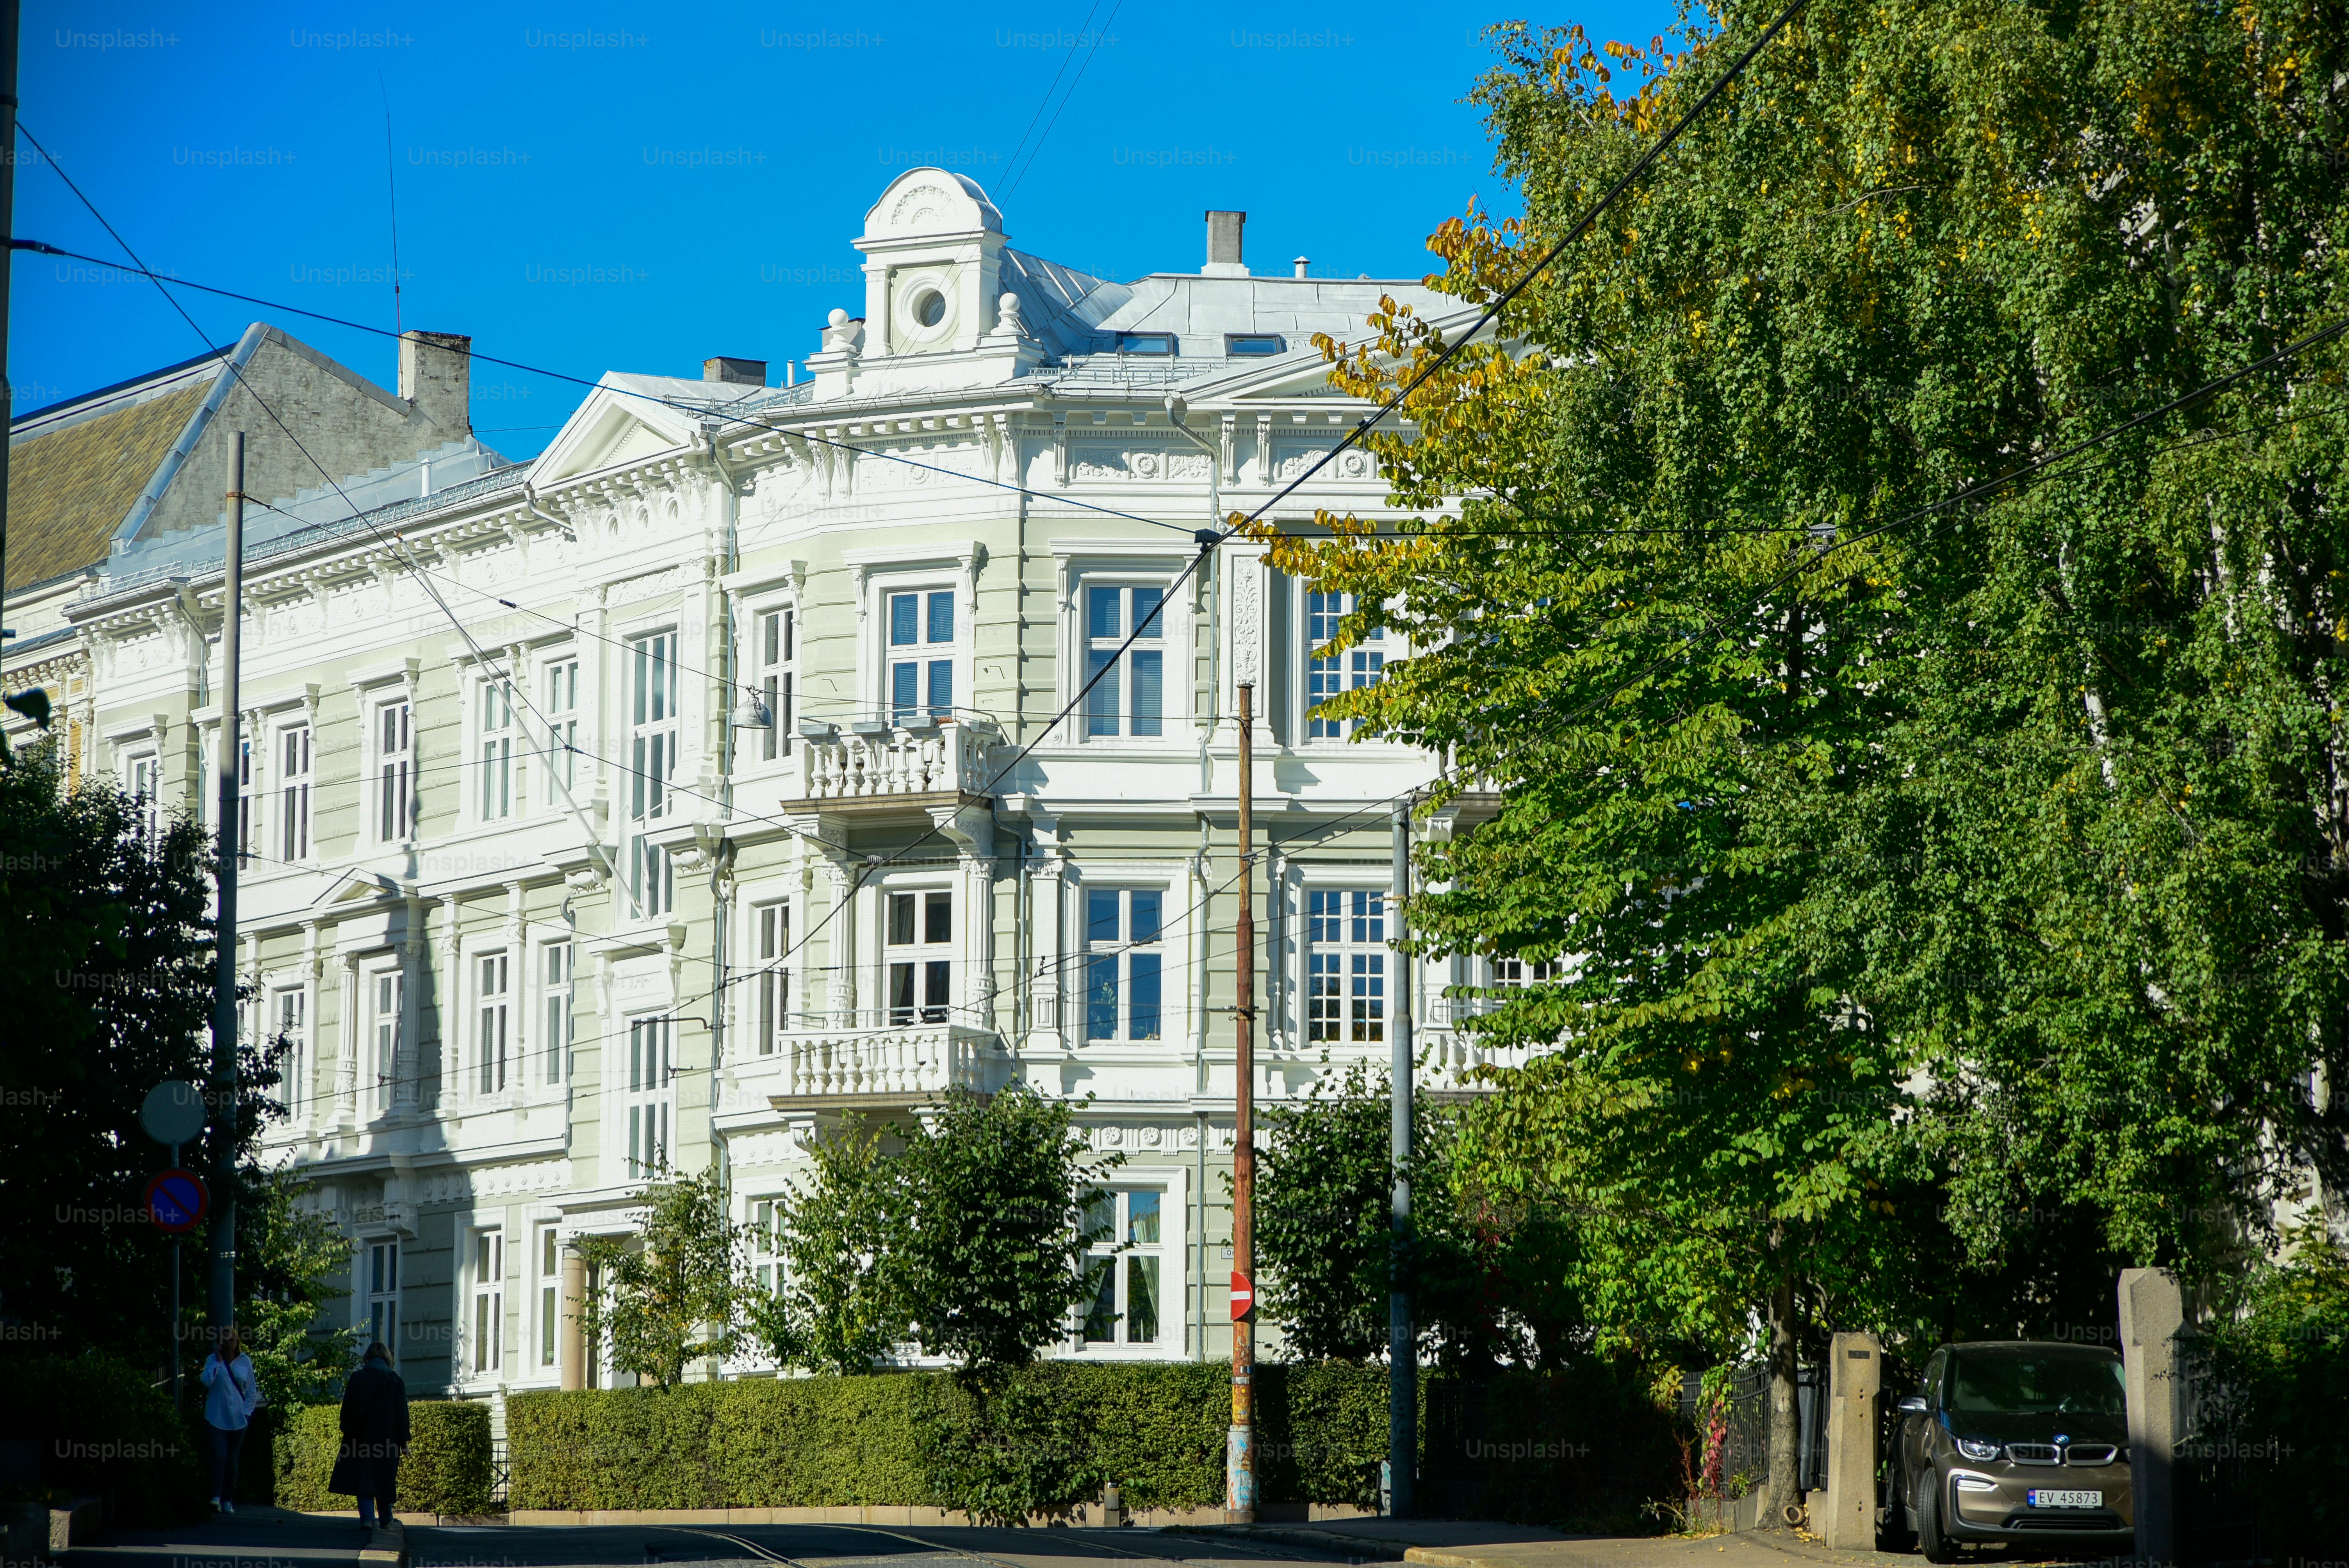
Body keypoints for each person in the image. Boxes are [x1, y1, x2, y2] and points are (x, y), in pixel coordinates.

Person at [330, 1342, 408, 1532]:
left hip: (359, 1438)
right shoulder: (394, 1380)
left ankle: (367, 1518)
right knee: (384, 1479)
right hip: (387, 1440)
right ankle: (386, 1518)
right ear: (386, 1358)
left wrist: (347, 1429)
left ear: (367, 1357)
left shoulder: (358, 1378)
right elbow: (401, 1414)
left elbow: (347, 1410)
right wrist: (403, 1442)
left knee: (363, 1479)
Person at [198, 1324, 260, 1512]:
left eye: (231, 1340)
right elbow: (206, 1381)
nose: (228, 1344)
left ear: (237, 1342)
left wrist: (247, 1415)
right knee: (219, 1456)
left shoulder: (244, 1362)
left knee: (232, 1462)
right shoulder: (212, 1360)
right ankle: (216, 1497)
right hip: (216, 1417)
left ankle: (228, 1500)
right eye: (224, 1341)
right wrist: (217, 1361)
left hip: (238, 1420)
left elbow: (251, 1392)